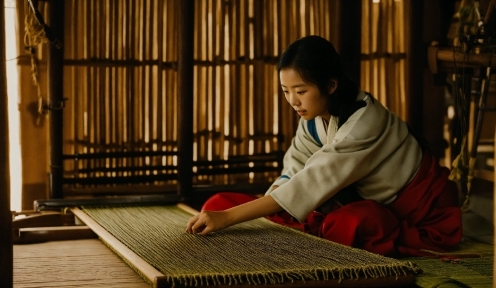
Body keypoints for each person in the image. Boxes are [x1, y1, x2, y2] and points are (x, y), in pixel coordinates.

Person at [185, 35, 462, 257]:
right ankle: (287, 243)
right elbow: (293, 172)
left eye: (301, 91)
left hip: (412, 213)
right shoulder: (312, 117)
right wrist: (248, 215)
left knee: (347, 223)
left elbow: (310, 183)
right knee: (217, 204)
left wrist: (229, 219)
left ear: (330, 85)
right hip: (345, 200)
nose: (293, 101)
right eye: (286, 91)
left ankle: (296, 249)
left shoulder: (366, 121)